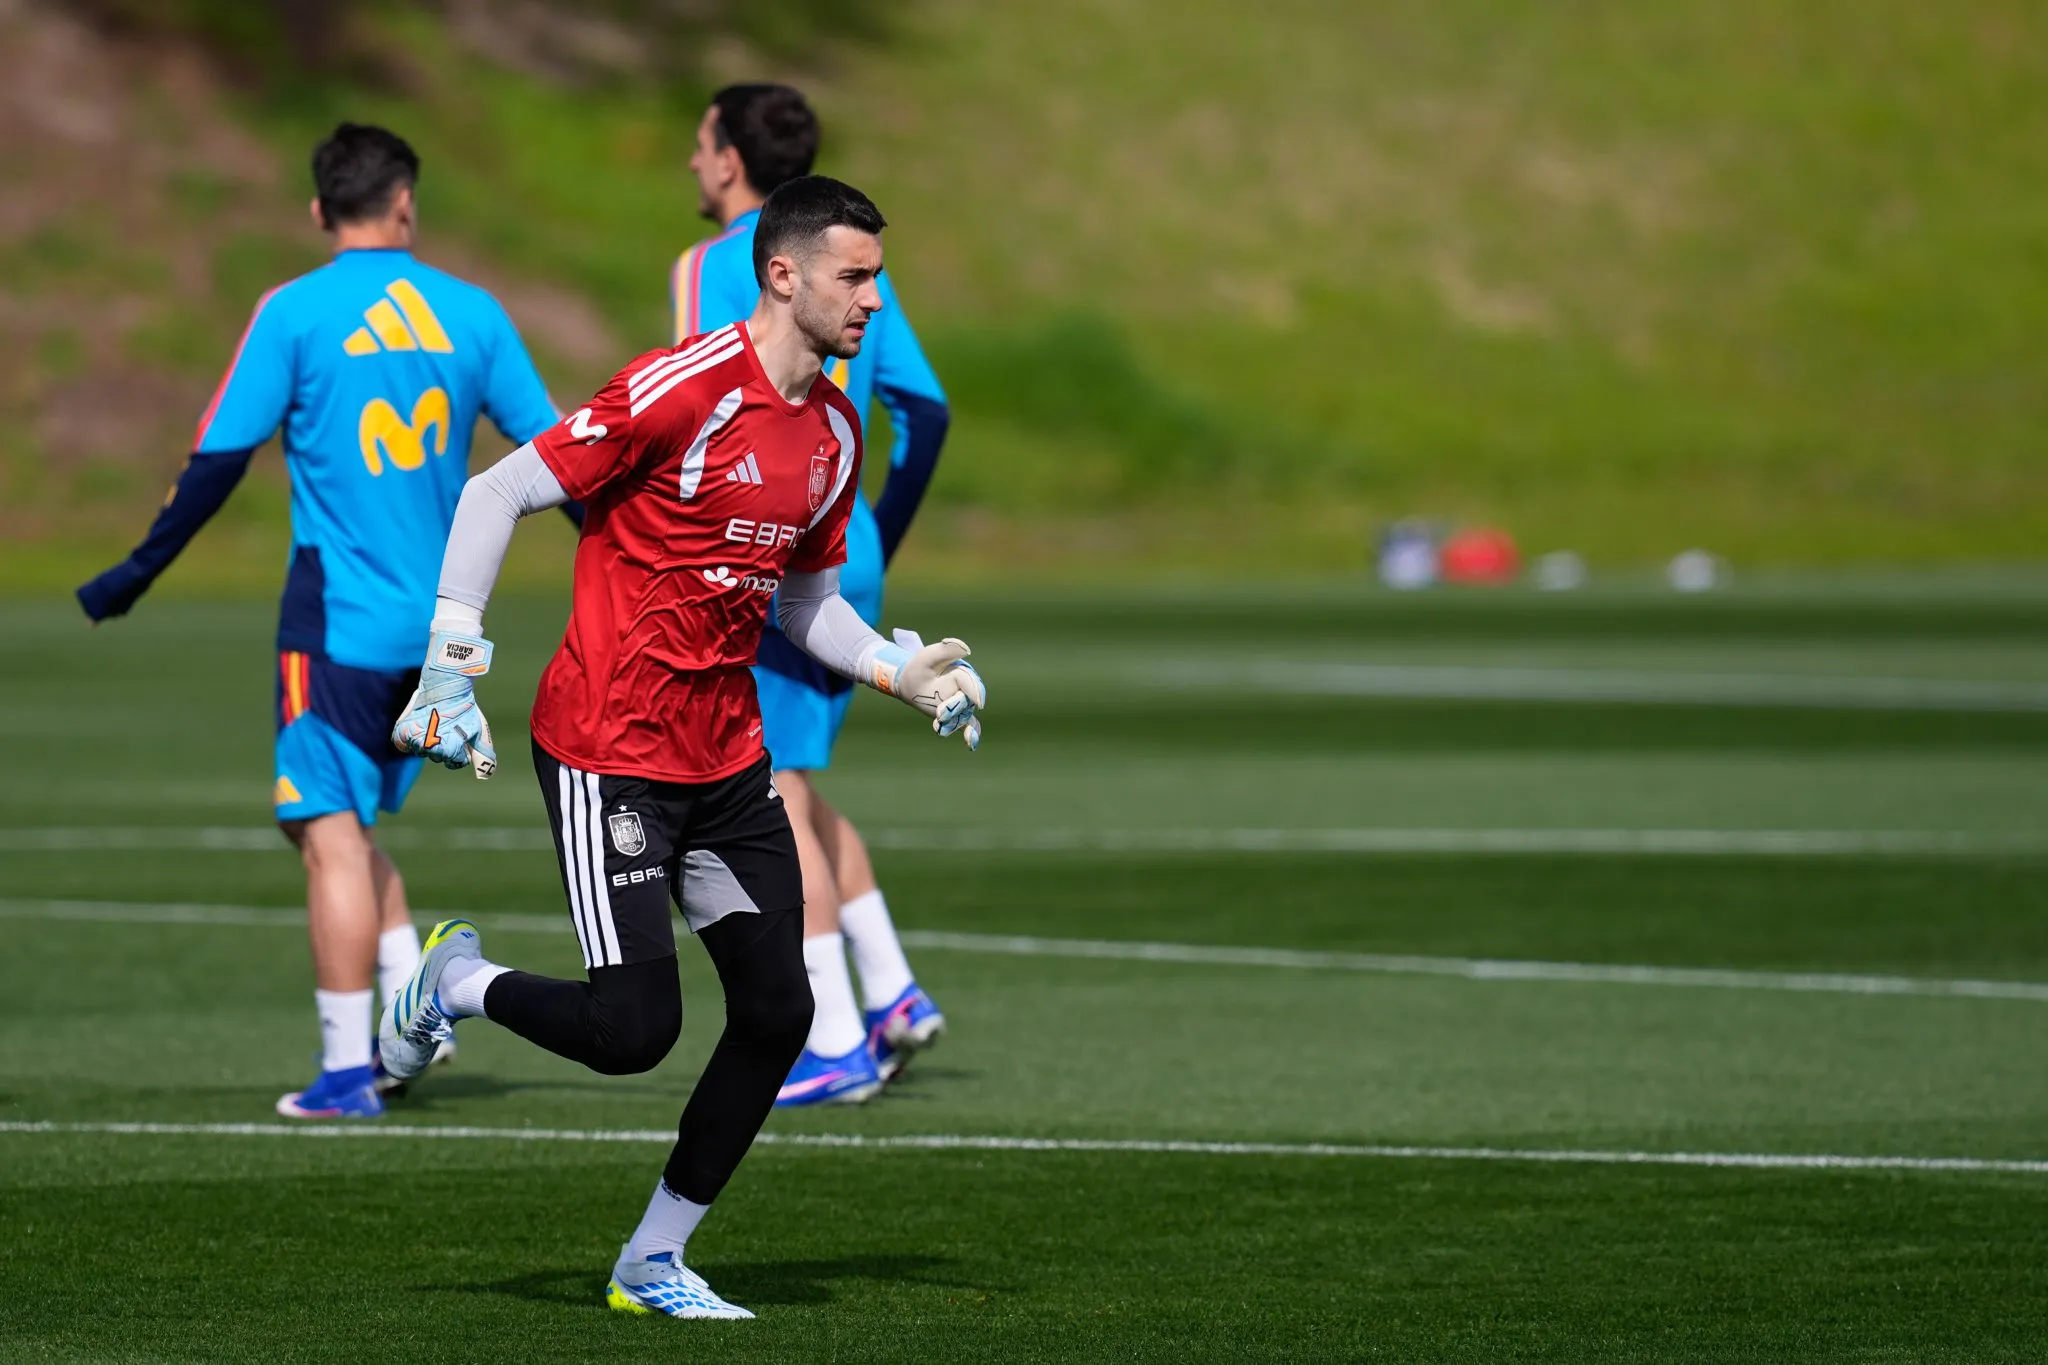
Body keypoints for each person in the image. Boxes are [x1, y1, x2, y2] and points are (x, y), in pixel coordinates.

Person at [381, 175, 986, 1321]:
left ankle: (650, 1261)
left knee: (778, 1014)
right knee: (631, 1035)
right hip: (608, 744)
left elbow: (802, 604)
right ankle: (453, 982)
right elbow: (496, 488)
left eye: (876, 278)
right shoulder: (678, 389)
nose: (871, 300)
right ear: (782, 274)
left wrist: (898, 671)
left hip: (725, 756)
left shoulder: (837, 431)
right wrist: (452, 660)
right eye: (853, 277)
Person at [74, 123, 561, 1120]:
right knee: (350, 834)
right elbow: (561, 460)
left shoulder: (293, 312)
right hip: (437, 643)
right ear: (405, 204)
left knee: (326, 835)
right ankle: (409, 1013)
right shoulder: (474, 316)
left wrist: (134, 572)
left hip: (334, 629)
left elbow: (216, 461)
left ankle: (350, 1071)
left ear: (317, 210)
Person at [677, 83, 953, 1106]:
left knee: (768, 791)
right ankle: (887, 992)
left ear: (728, 158)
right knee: (795, 779)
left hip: (765, 546)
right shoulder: (853, 264)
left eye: (701, 142)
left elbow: (700, 399)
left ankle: (831, 1039)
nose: (693, 161)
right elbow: (924, 410)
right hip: (844, 536)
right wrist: (879, 525)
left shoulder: (723, 267)